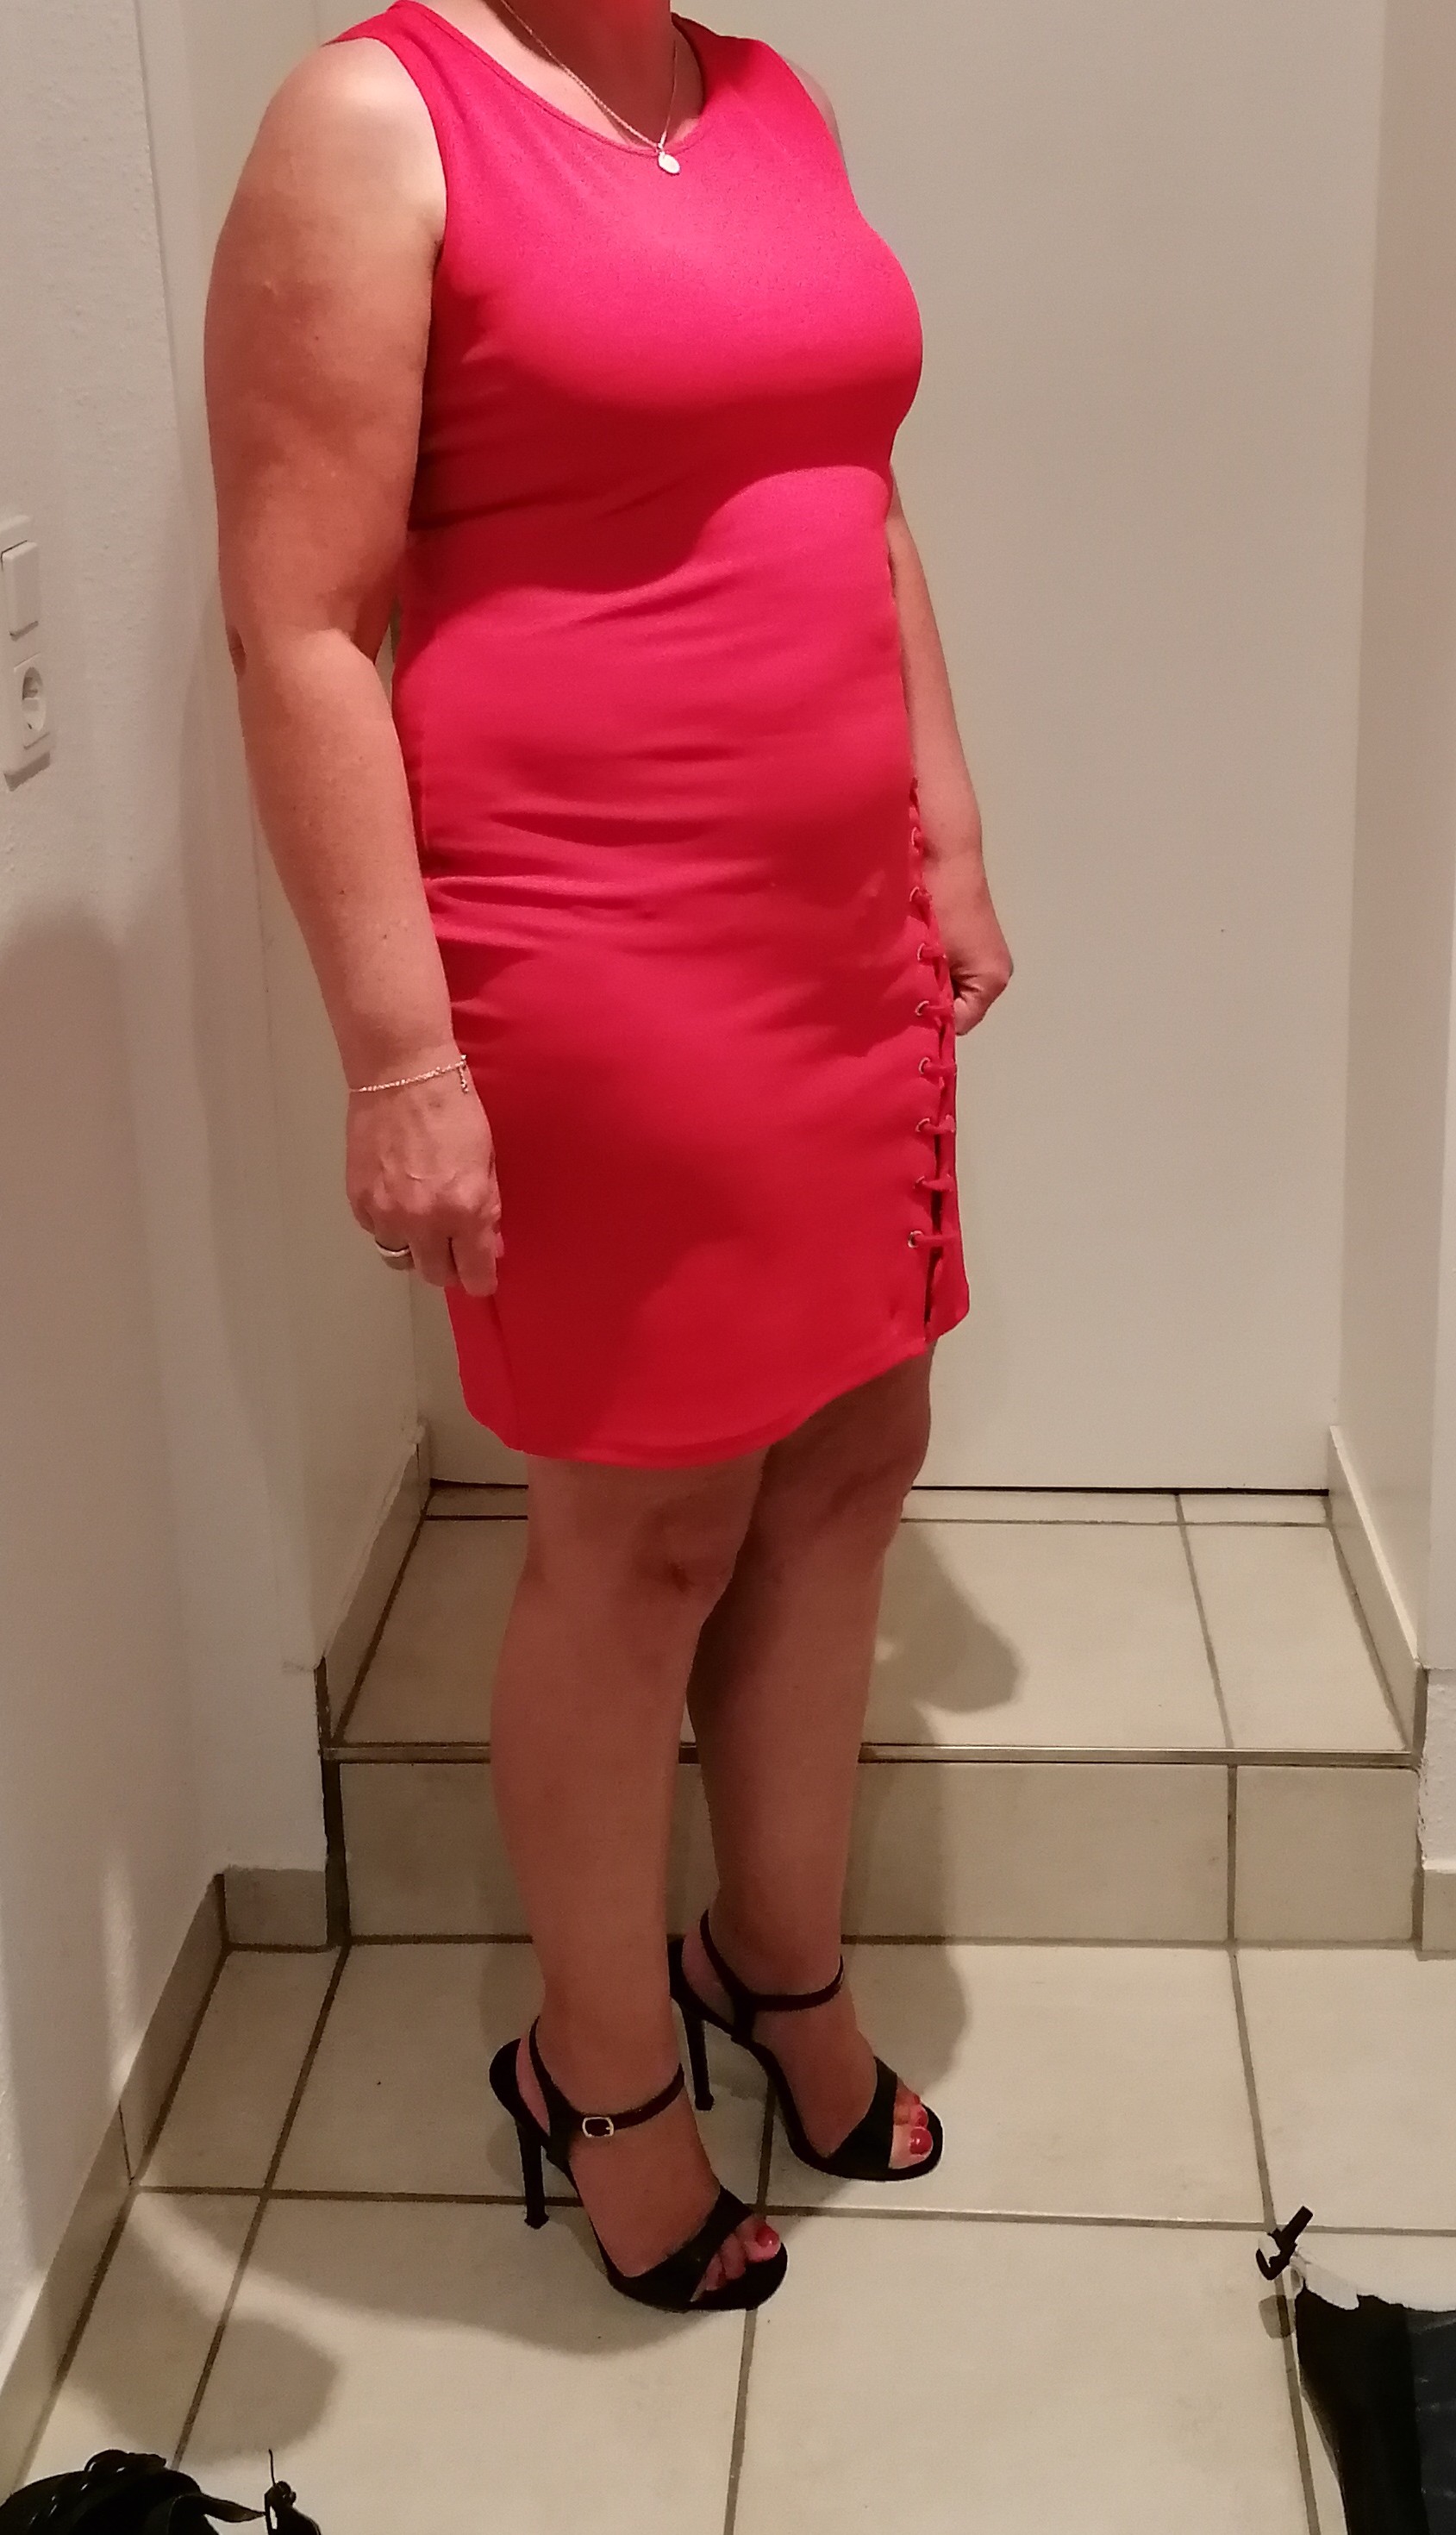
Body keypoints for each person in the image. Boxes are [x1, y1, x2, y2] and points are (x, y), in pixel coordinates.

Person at [205, 0, 1011, 2316]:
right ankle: (601, 2064)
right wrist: (398, 1054)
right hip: (592, 945)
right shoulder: (375, 118)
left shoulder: (763, 98)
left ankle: (772, 1953)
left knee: (853, 1450)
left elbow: (853, 493)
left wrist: (945, 829)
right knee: (646, 1530)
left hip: (833, 928)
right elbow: (298, 623)